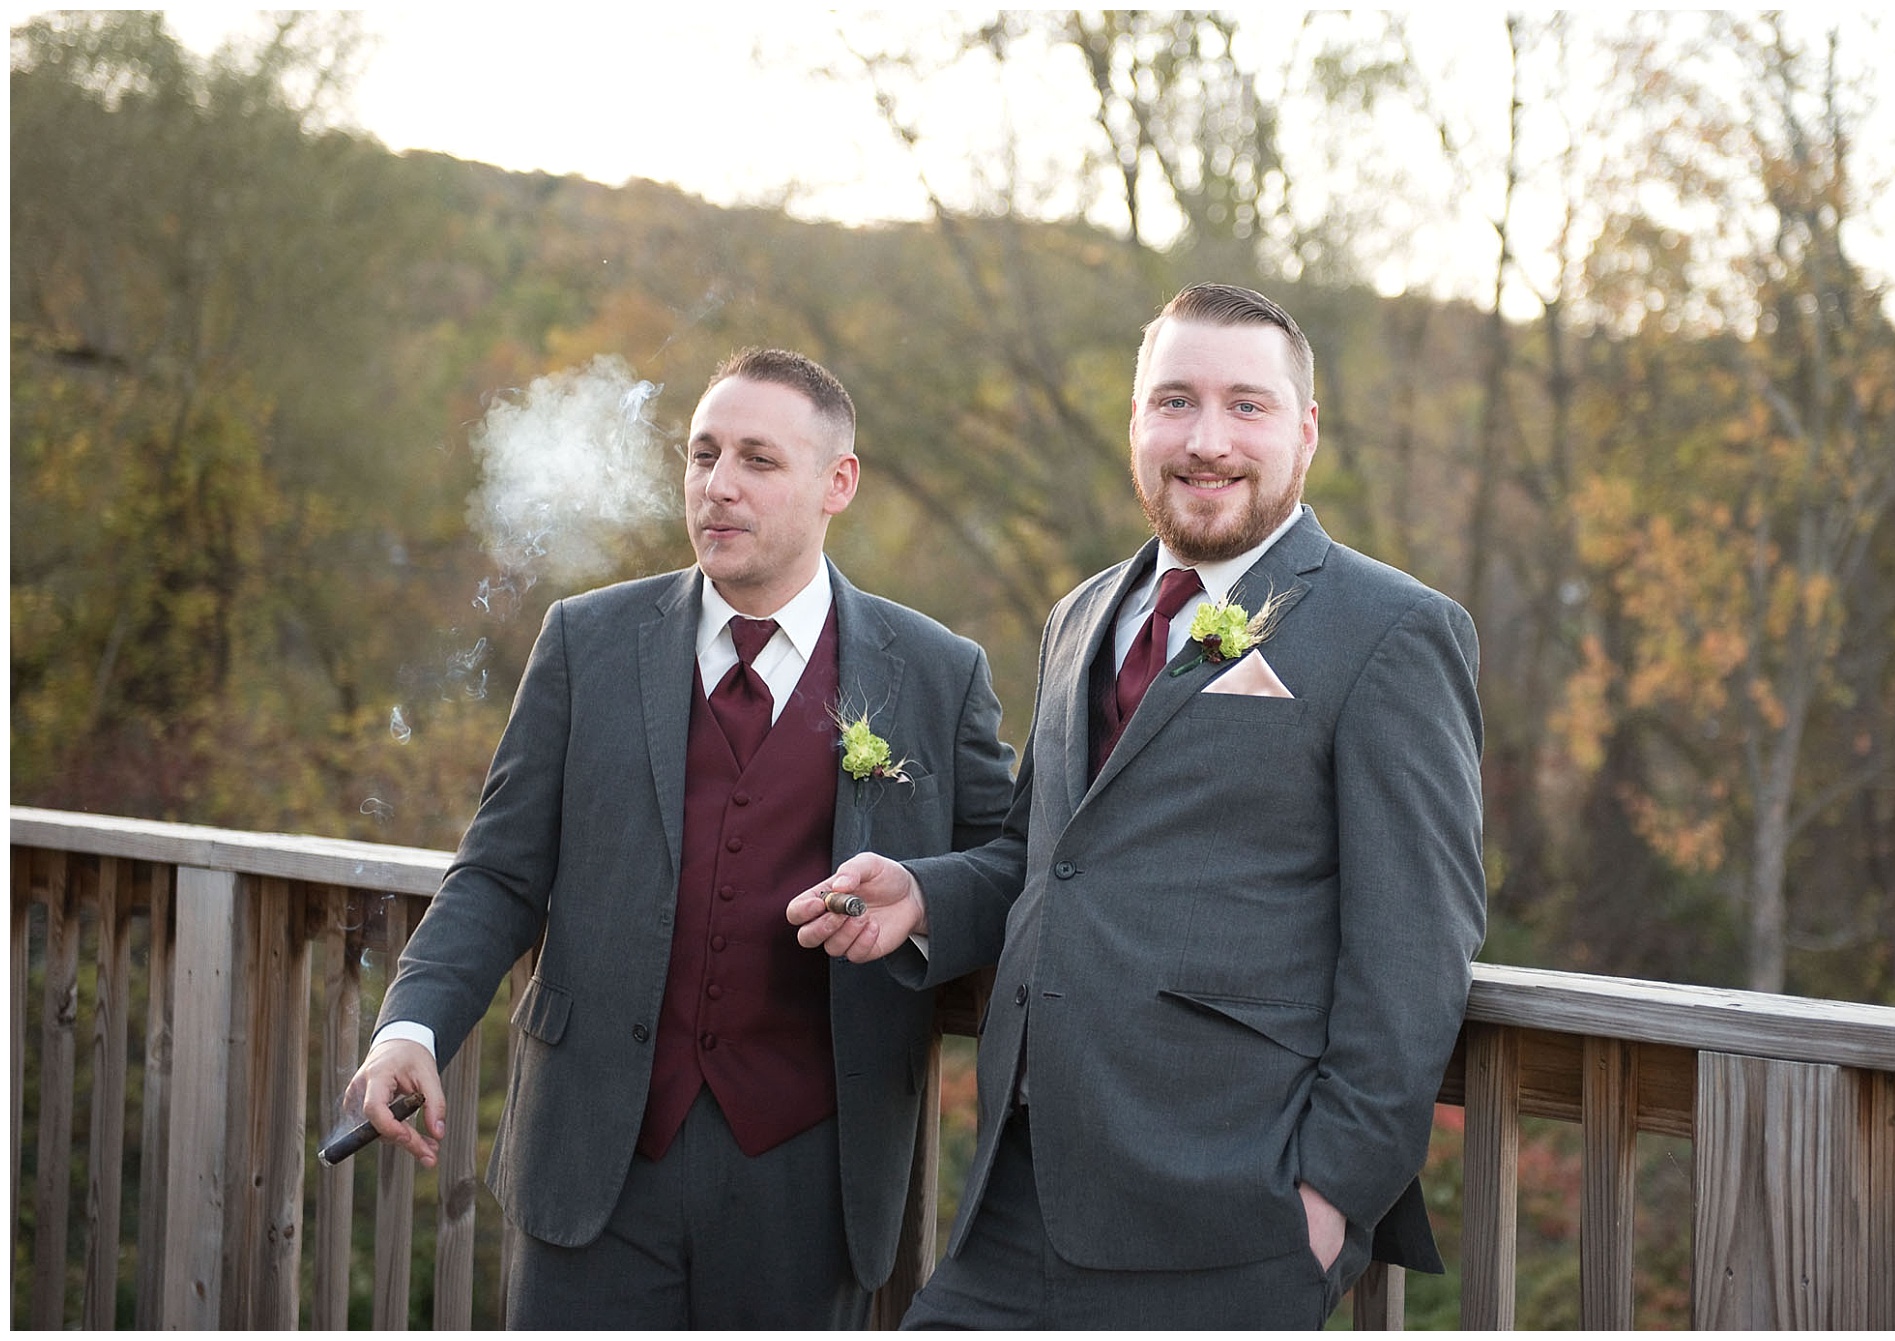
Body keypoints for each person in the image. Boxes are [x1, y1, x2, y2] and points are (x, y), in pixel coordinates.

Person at [789, 282, 1486, 1329]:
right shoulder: (1079, 614)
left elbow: (1415, 947)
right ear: (1134, 424)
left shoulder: (1391, 631)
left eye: (1245, 406)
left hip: (1226, 1218)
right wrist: (925, 898)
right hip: (1017, 1196)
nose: (1206, 440)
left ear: (1303, 432)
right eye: (1173, 402)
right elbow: (1048, 855)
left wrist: (1327, 1200)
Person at [346, 348, 1016, 1329]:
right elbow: (496, 871)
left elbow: (1009, 867)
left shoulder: (935, 671)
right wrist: (412, 1026)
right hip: (592, 1164)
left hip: (809, 1180)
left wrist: (923, 897)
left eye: (757, 460)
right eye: (702, 456)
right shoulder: (587, 642)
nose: (718, 486)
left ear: (839, 483)